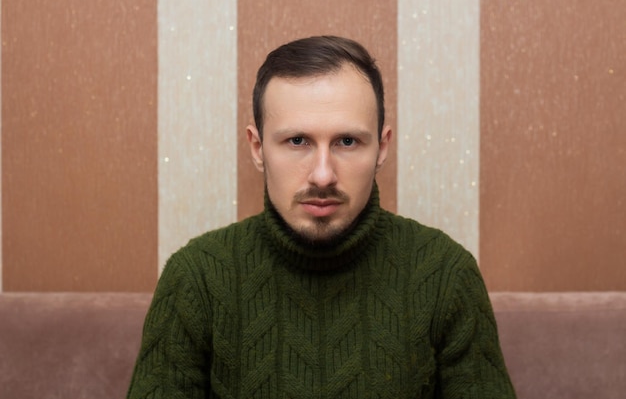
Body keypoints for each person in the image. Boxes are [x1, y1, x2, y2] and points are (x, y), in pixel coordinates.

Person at [127, 35, 516, 398]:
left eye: (347, 142)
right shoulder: (196, 279)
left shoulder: (446, 274)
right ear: (258, 147)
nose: (323, 175)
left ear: (381, 148)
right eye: (297, 141)